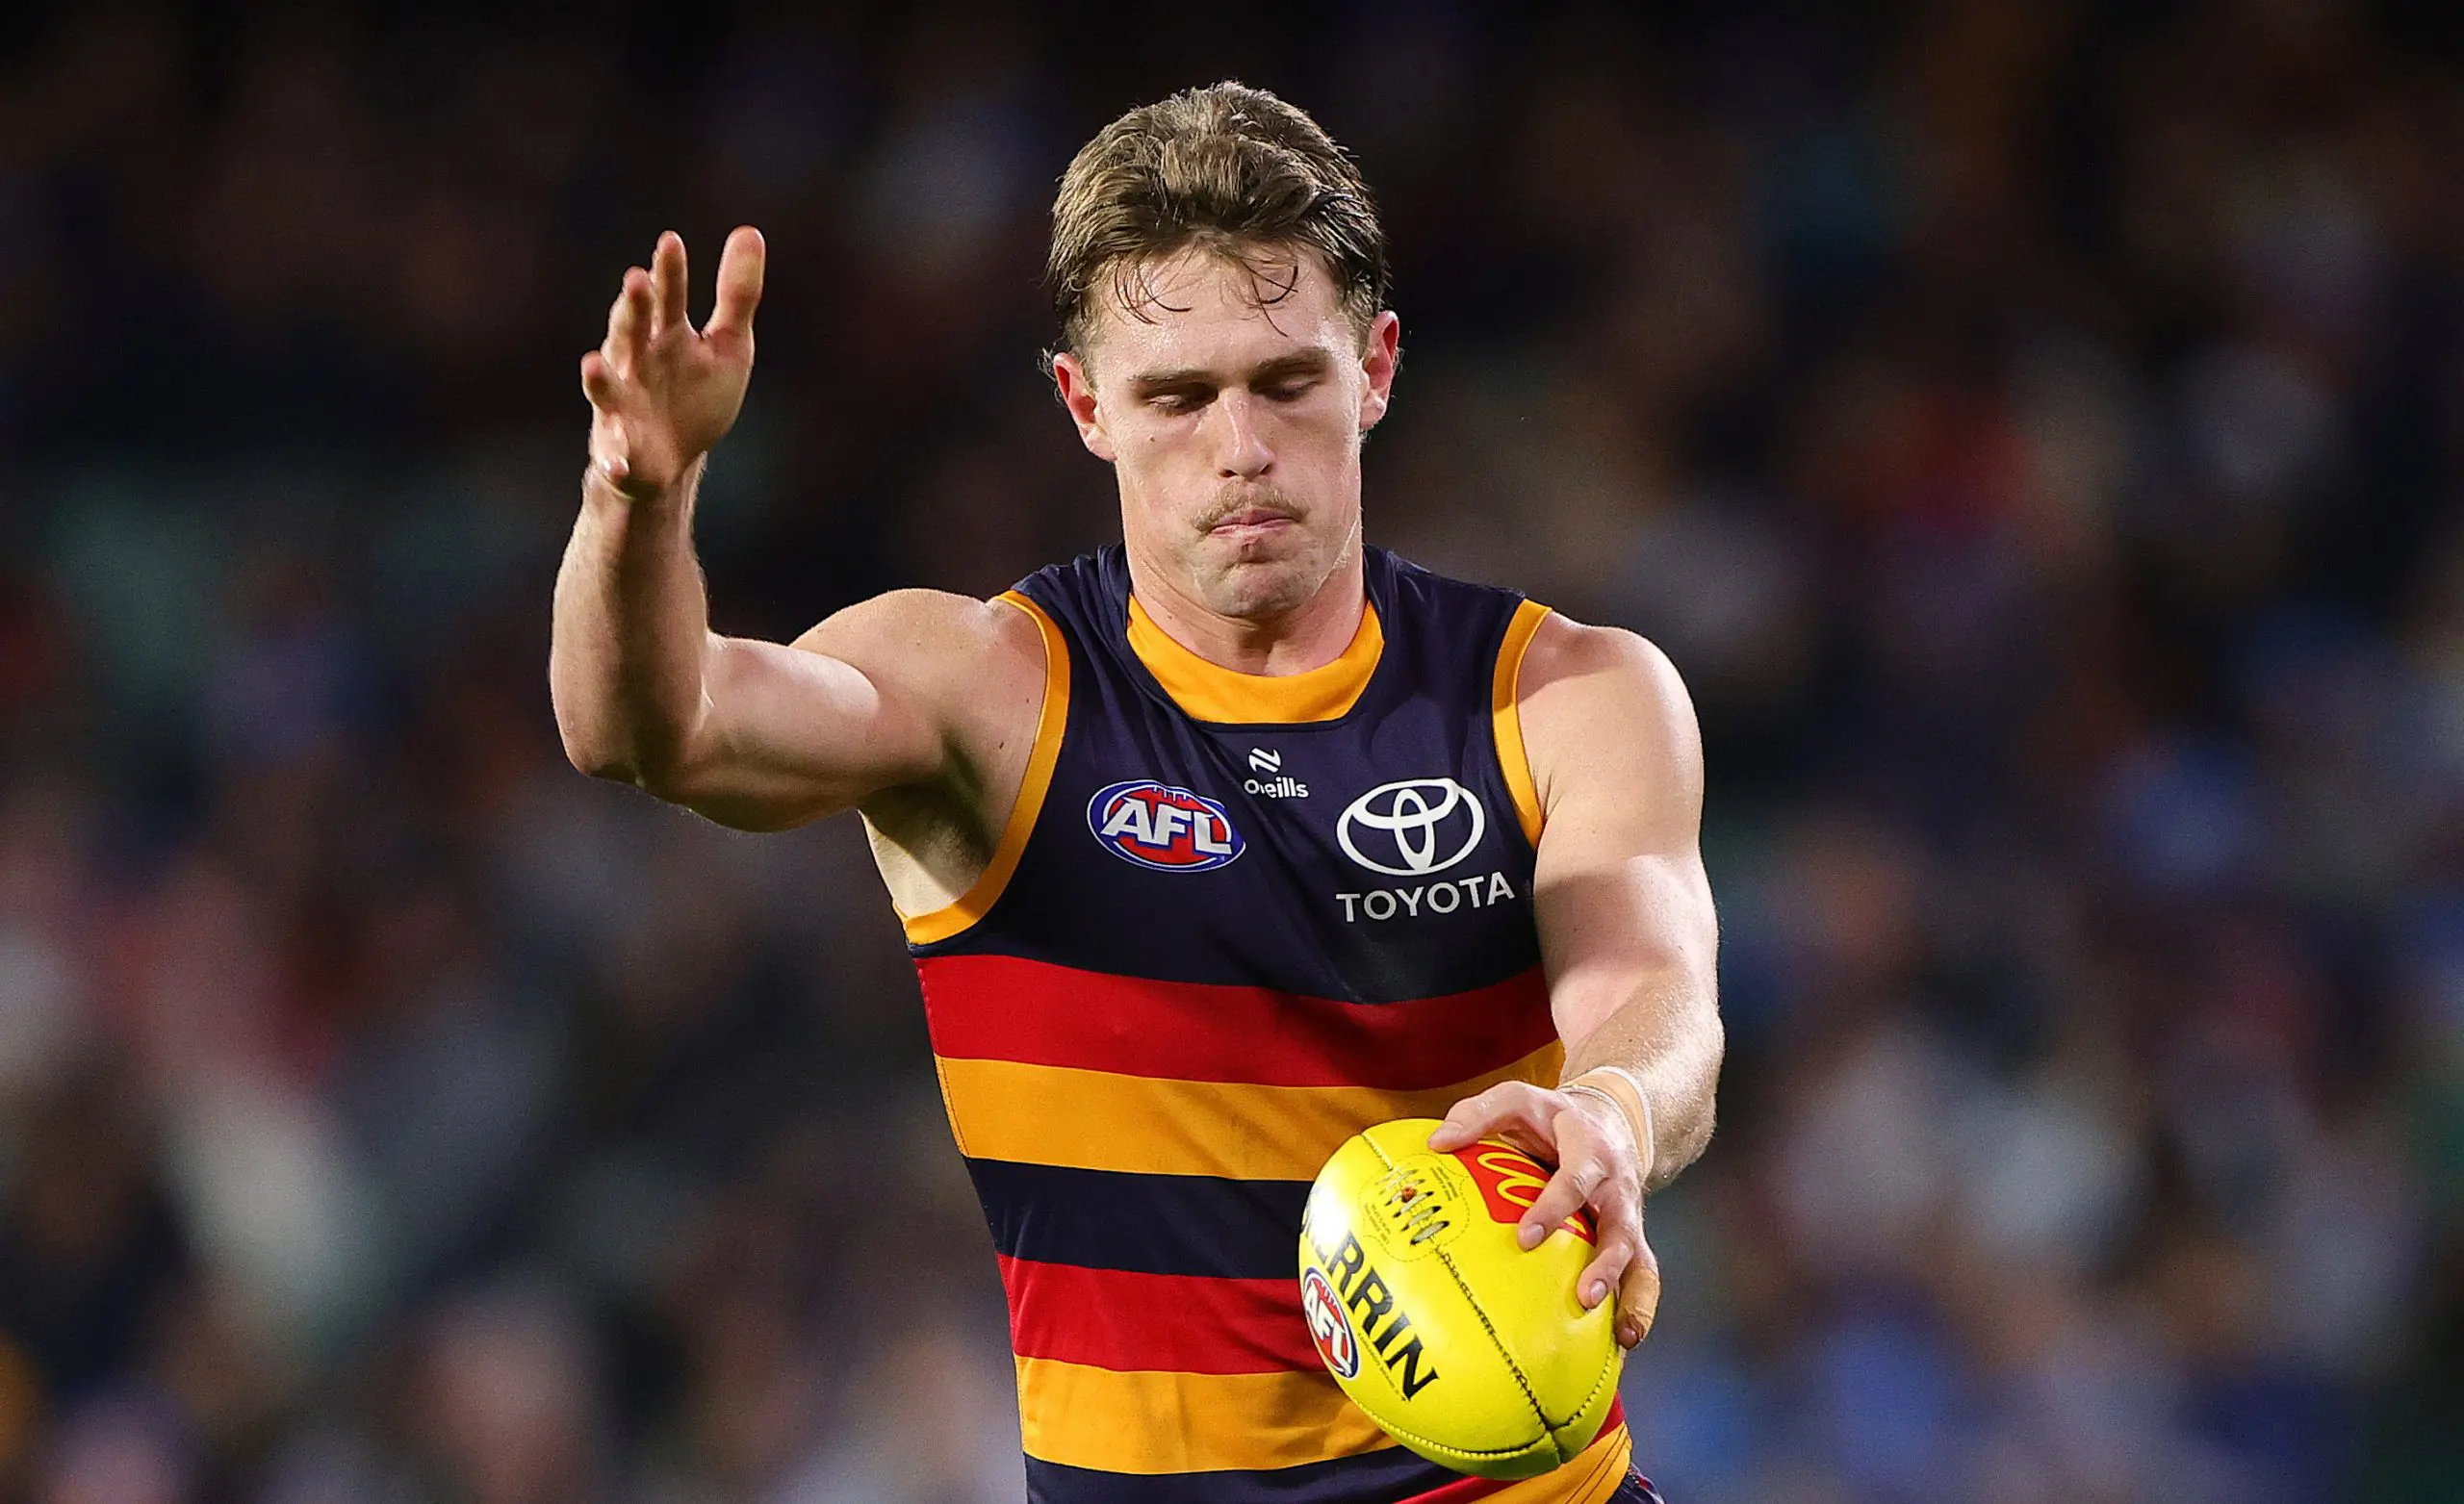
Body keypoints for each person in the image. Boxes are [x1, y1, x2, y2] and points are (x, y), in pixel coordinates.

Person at [551, 82, 1720, 1504]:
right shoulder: (987, 693)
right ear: (1085, 403)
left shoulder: (1566, 694)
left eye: (1286, 380)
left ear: (1378, 369)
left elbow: (1660, 992)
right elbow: (647, 727)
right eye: (1178, 395)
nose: (1240, 445)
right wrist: (638, 491)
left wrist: (1611, 1107)